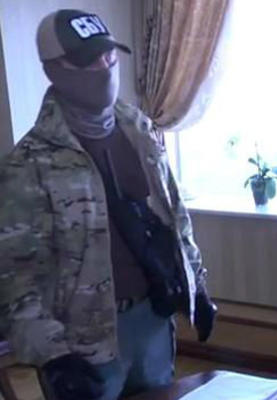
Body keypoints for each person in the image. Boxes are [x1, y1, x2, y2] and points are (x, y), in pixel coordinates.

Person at [0, 9, 217, 400]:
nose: (104, 67)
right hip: (81, 344)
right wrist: (53, 356)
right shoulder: (28, 163)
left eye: (109, 55)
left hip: (151, 320)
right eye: (89, 61)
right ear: (54, 70)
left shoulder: (140, 130)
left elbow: (174, 216)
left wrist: (196, 285)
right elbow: (16, 278)